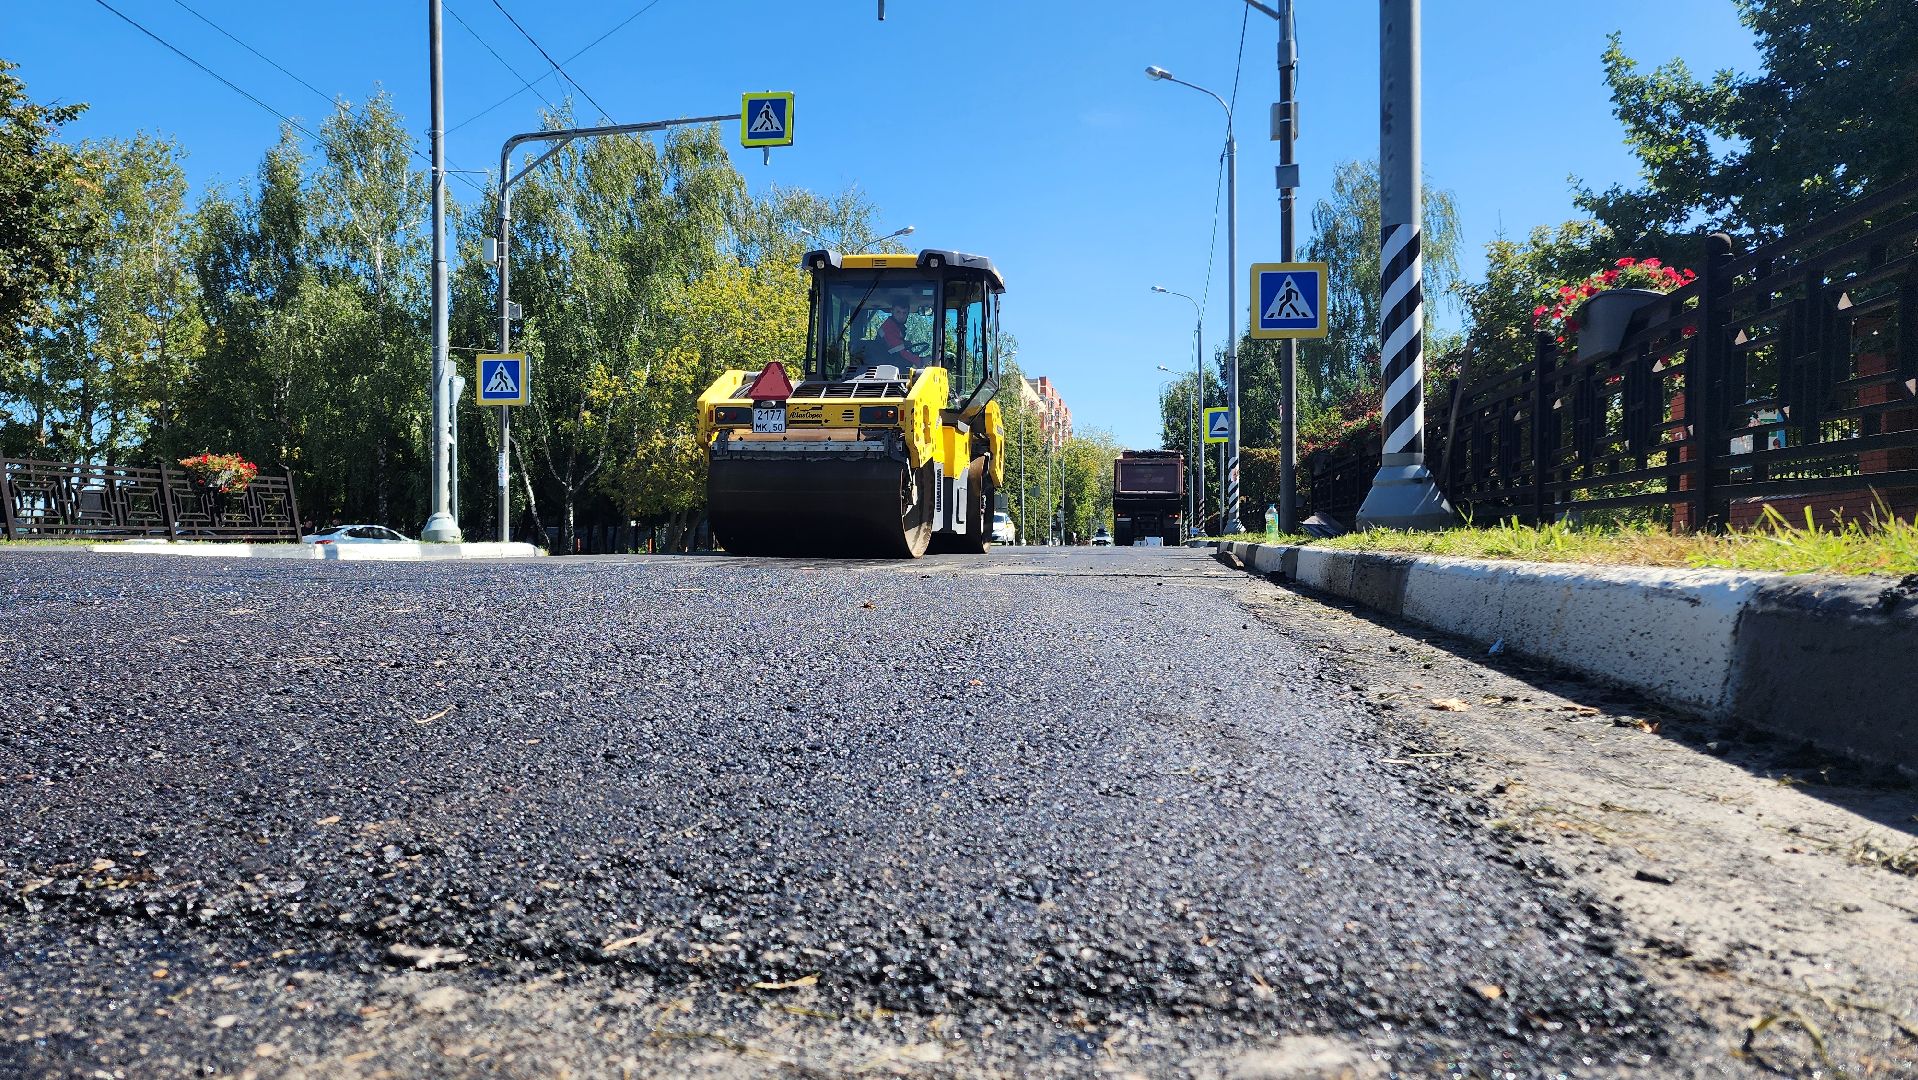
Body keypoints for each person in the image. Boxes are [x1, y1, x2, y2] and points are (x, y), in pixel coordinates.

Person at [874, 298, 928, 367]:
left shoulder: (896, 327)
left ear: (908, 314)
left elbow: (898, 348)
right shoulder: (888, 327)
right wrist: (920, 361)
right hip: (885, 366)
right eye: (898, 312)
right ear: (892, 311)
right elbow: (900, 352)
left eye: (904, 313)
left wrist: (905, 344)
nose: (901, 316)